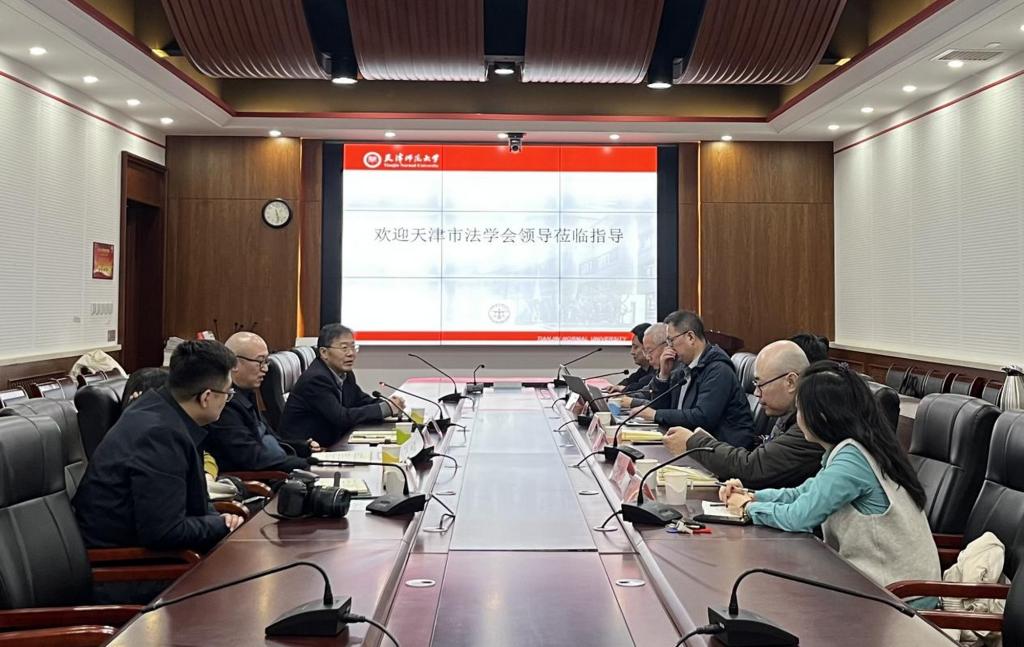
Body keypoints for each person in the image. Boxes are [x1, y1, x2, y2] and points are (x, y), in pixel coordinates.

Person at [721, 361, 940, 593]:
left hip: (899, 595)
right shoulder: (854, 449)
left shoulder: (852, 460)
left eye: (800, 410)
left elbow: (800, 516)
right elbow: (802, 494)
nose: (798, 418)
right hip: (878, 586)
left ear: (822, 416)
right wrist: (752, 496)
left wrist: (747, 508)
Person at [73, 340, 244, 553]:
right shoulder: (160, 435)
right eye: (228, 394)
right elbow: (165, 532)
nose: (228, 400)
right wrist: (221, 525)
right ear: (206, 397)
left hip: (142, 549)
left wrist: (216, 519)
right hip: (124, 562)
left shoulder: (159, 409)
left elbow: (192, 502)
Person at [662, 340, 824, 489]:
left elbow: (753, 468)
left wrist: (694, 443)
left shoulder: (813, 423)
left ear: (791, 382)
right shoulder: (788, 412)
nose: (756, 393)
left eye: (761, 384)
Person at [633, 311, 755, 448]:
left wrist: (656, 414)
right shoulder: (683, 368)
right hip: (690, 444)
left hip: (723, 450)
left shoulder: (718, 370)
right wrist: (664, 375)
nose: (669, 347)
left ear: (690, 337)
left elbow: (703, 417)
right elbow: (664, 408)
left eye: (671, 341)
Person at [280, 323, 405, 447]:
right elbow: (341, 418)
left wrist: (389, 404)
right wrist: (384, 409)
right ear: (324, 352)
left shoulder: (345, 373)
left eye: (353, 347)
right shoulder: (316, 379)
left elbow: (360, 400)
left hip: (332, 442)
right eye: (344, 348)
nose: (351, 353)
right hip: (306, 448)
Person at [204, 332, 310, 473]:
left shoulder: (247, 394)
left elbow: (270, 439)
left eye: (267, 362)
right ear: (234, 363)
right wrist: (306, 465)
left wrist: (304, 447)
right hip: (258, 478)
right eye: (260, 362)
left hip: (278, 467)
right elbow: (252, 458)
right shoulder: (224, 402)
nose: (265, 369)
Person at [604, 323, 653, 394]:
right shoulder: (644, 369)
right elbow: (629, 381)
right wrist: (616, 387)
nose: (632, 352)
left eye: (636, 347)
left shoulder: (658, 370)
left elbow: (641, 385)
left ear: (647, 347)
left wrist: (623, 388)